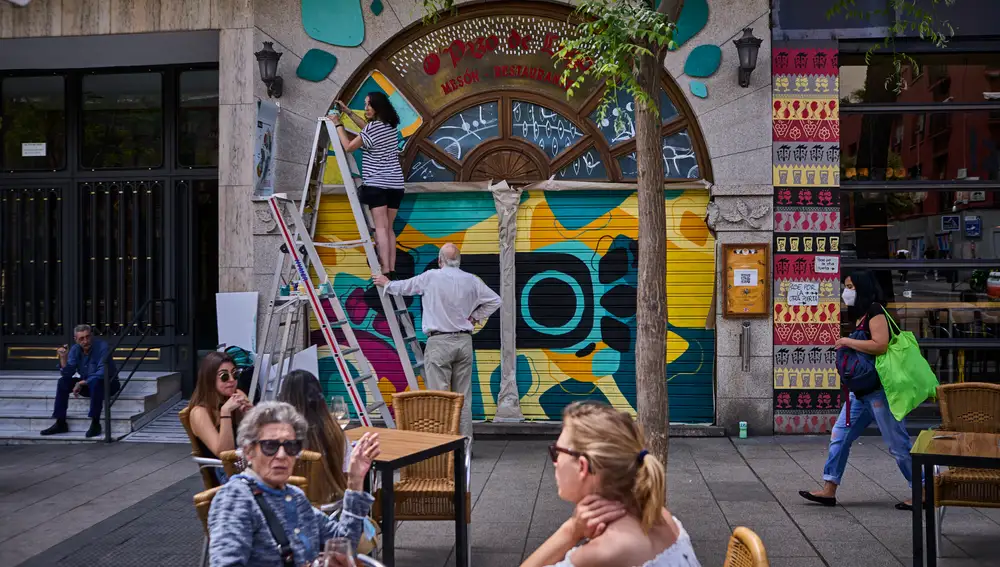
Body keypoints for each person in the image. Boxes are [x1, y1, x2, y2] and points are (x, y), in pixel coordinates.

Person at [521, 401, 701, 567]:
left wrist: (571, 531)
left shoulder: (601, 553)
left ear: (582, 466)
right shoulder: (661, 516)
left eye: (557, 452)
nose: (555, 462)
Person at [208, 401, 380, 567]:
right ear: (249, 451)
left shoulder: (294, 496)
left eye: (291, 446)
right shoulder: (235, 498)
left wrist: (355, 481)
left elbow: (344, 544)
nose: (282, 455)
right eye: (270, 446)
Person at [799, 270, 916, 510]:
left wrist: (847, 341)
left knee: (897, 444)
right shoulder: (862, 314)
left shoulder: (875, 310)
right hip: (861, 392)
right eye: (846, 287)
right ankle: (829, 488)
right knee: (839, 436)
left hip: (880, 391)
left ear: (862, 288)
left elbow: (880, 345)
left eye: (851, 287)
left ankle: (923, 489)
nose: (846, 292)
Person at [373, 243, 502, 442]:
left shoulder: (431, 276)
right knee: (463, 397)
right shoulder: (472, 280)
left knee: (439, 398)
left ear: (440, 260)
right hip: (464, 341)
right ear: (458, 261)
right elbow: (495, 300)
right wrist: (476, 317)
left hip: (439, 342)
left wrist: (386, 283)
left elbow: (405, 287)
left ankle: (442, 446)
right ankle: (465, 446)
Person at [277, 370, 380, 555]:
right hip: (331, 512)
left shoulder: (277, 442)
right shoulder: (334, 433)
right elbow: (346, 476)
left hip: (286, 515)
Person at [332, 93, 405, 279]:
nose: (365, 109)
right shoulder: (389, 127)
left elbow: (349, 146)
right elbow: (366, 128)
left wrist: (337, 124)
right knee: (389, 228)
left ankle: (385, 270)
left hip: (377, 184)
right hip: (395, 184)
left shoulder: (373, 128)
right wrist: (348, 112)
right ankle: (391, 268)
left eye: (368, 105)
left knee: (380, 228)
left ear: (378, 107)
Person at [41, 324, 120, 438]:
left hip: (108, 384)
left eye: (87, 337)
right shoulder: (75, 349)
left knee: (95, 382)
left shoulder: (102, 347)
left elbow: (102, 373)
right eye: (81, 339)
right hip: (87, 384)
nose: (85, 341)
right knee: (63, 382)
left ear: (91, 335)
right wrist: (63, 358)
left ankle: (95, 423)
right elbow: (68, 373)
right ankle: (60, 422)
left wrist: (80, 383)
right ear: (76, 339)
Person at [188, 351, 253, 484]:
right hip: (225, 473)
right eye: (224, 376)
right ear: (210, 379)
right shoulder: (199, 412)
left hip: (244, 464)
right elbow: (225, 454)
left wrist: (250, 413)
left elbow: (258, 437)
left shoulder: (237, 395)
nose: (232, 380)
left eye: (235, 374)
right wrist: (225, 412)